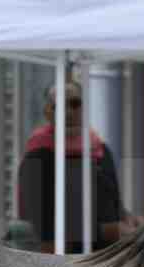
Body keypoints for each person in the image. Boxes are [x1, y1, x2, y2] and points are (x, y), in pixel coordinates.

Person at [16, 81, 137, 254]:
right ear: (47, 112)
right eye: (59, 106)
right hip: (61, 262)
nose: (68, 112)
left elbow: (113, 201)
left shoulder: (101, 149)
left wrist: (129, 219)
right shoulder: (38, 156)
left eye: (75, 104)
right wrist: (108, 231)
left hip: (109, 257)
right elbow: (40, 225)